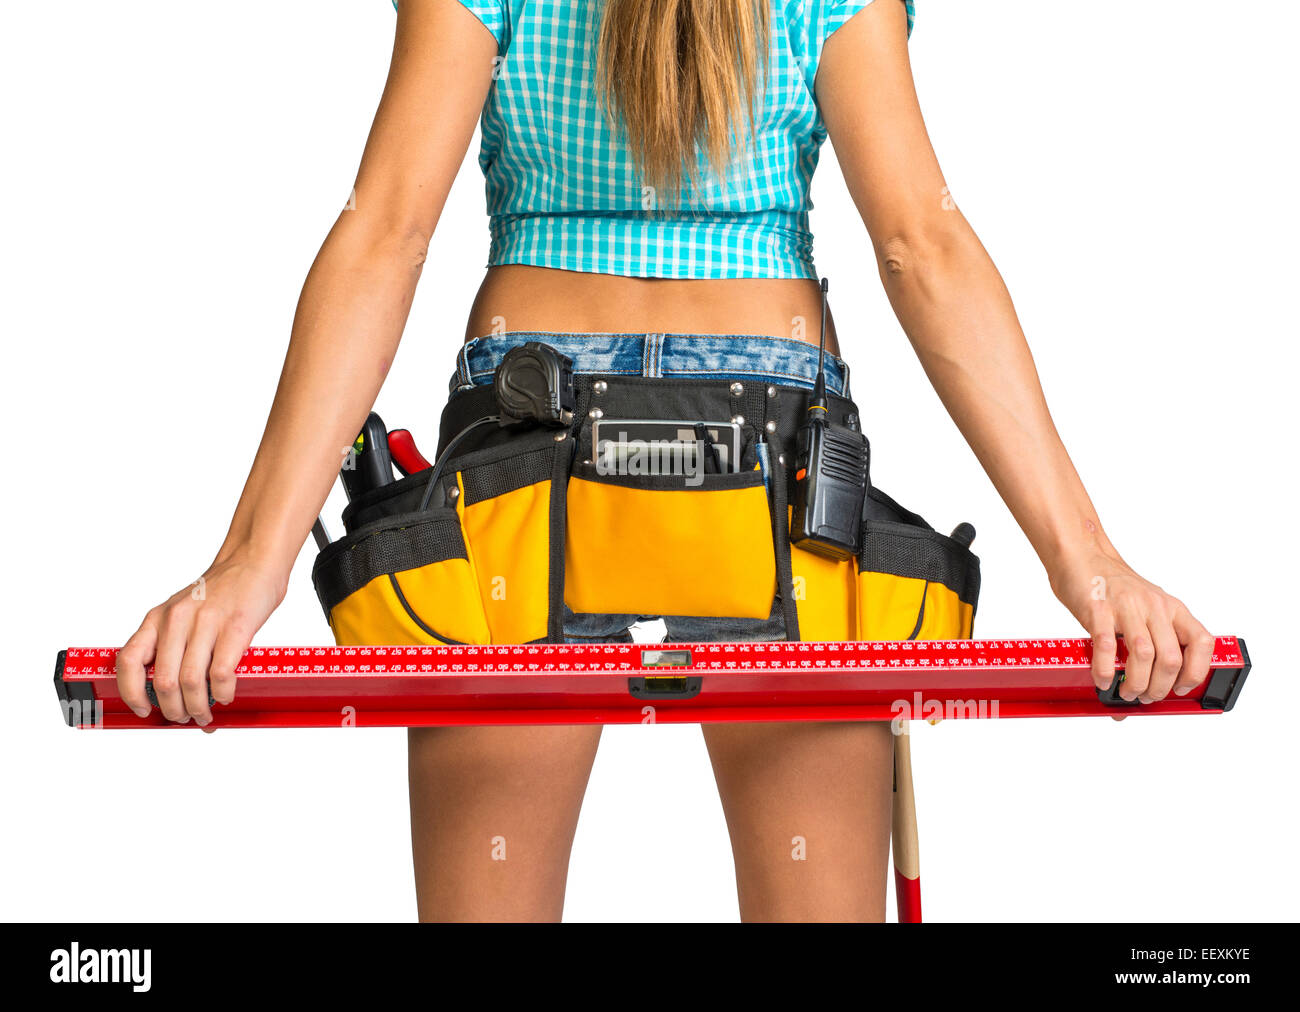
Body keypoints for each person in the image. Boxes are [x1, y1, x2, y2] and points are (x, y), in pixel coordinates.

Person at [115, 0, 1216, 922]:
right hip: (776, 477)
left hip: (523, 460)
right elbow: (920, 244)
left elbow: (387, 230)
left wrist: (248, 568)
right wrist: (1091, 565)